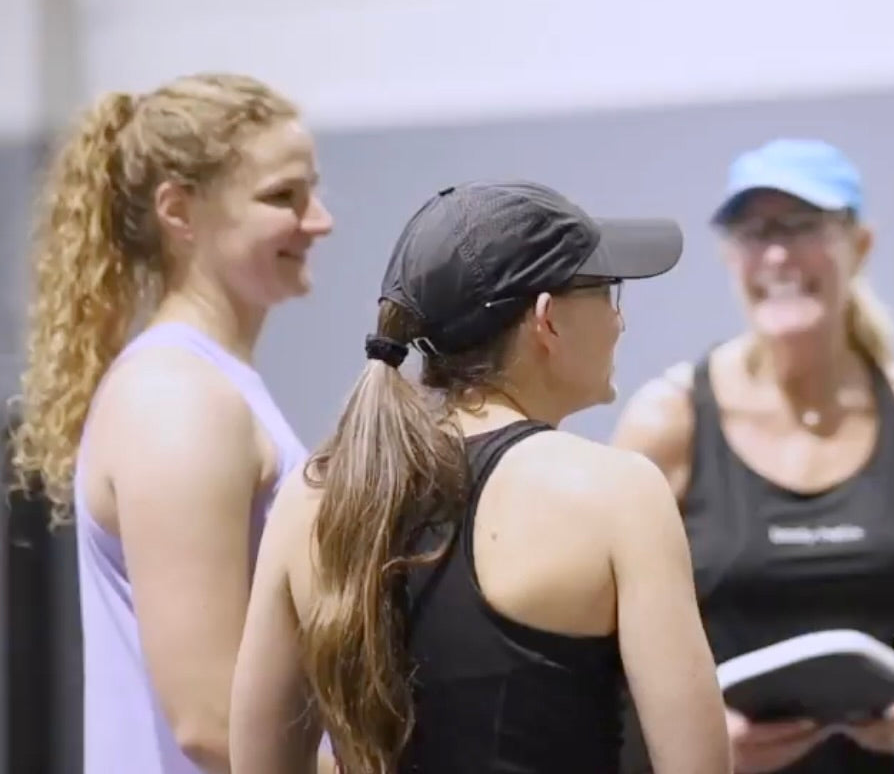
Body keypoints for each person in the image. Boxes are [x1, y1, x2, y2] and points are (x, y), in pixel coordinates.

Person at [227, 180, 730, 774]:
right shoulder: (619, 496)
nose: (619, 322)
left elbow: (258, 762)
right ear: (547, 320)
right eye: (606, 292)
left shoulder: (311, 499)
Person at [610, 138, 894, 773]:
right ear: (730, 257)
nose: (778, 253)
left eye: (804, 225)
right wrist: (695, 734)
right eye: (754, 231)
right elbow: (602, 646)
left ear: (859, 245)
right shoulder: (668, 421)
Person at [9, 73, 334, 774]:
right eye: (284, 197)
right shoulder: (176, 397)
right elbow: (211, 720)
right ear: (179, 212)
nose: (319, 220)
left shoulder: (215, 385)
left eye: (312, 190)